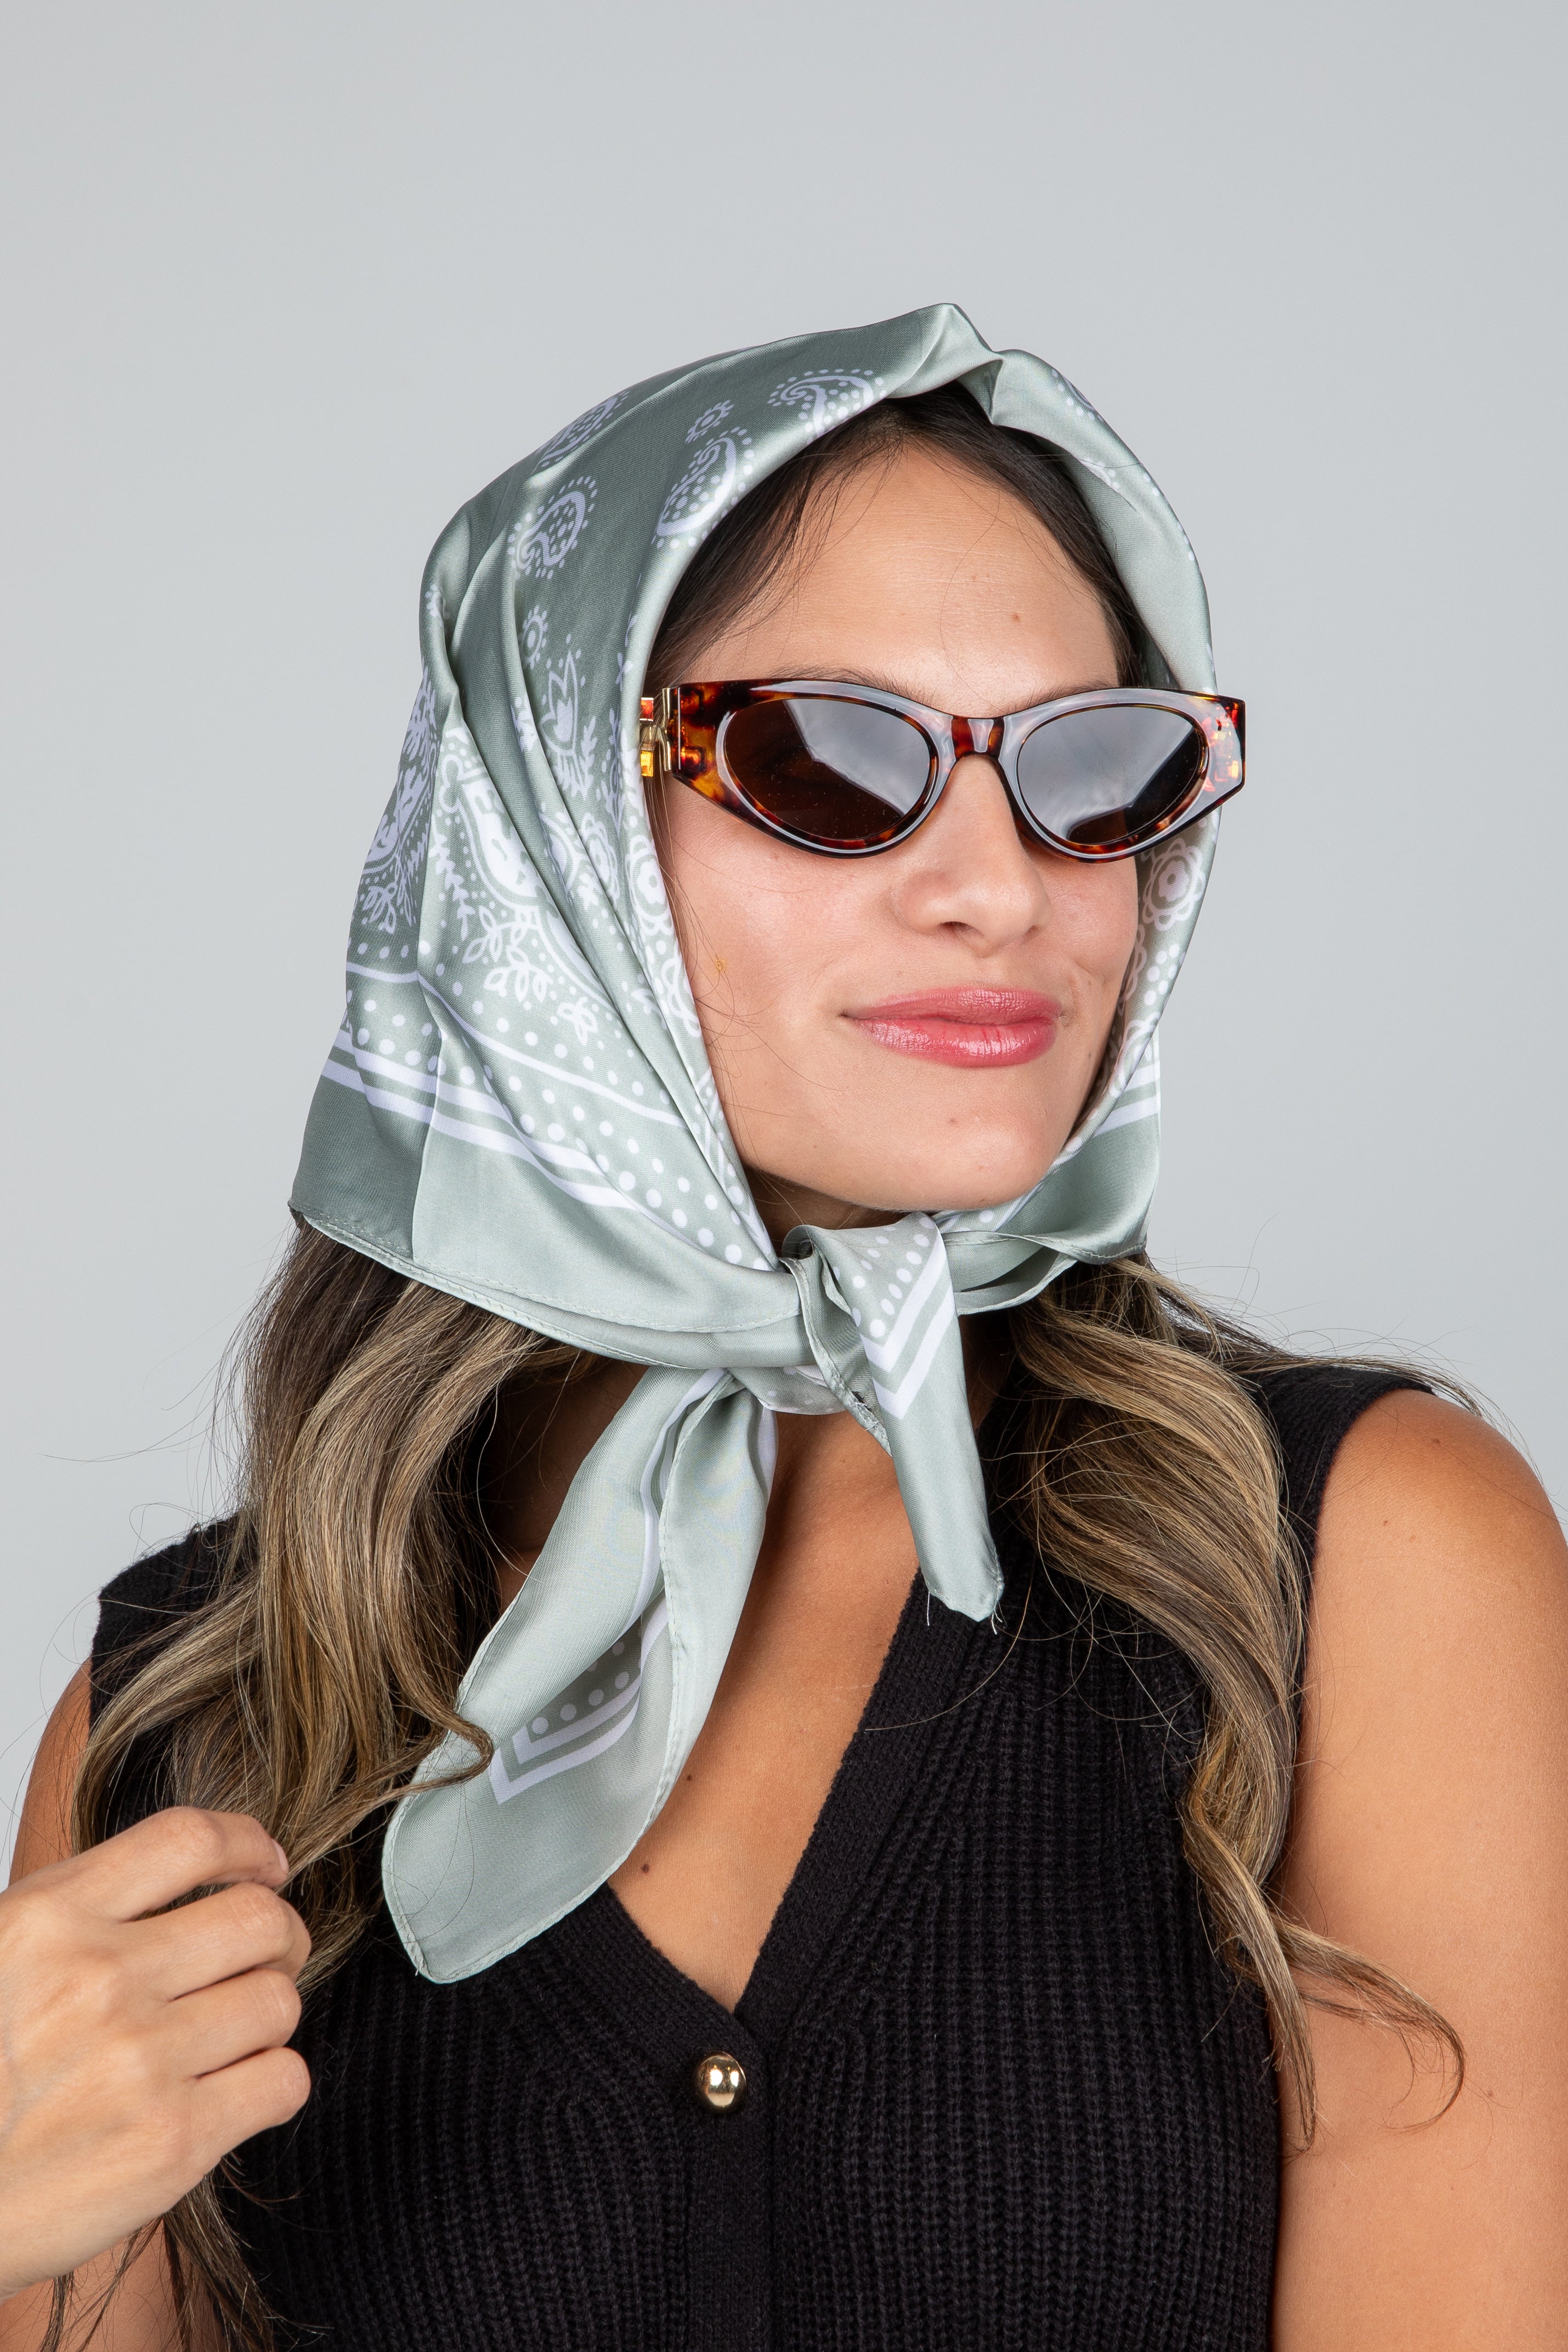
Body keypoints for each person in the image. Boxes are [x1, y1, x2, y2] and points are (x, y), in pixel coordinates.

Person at [2, 306, 1565, 2352]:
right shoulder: (191, 1717)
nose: (998, 888)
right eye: (828, 760)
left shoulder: (1354, 1566)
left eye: (1094, 769)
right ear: (544, 837)